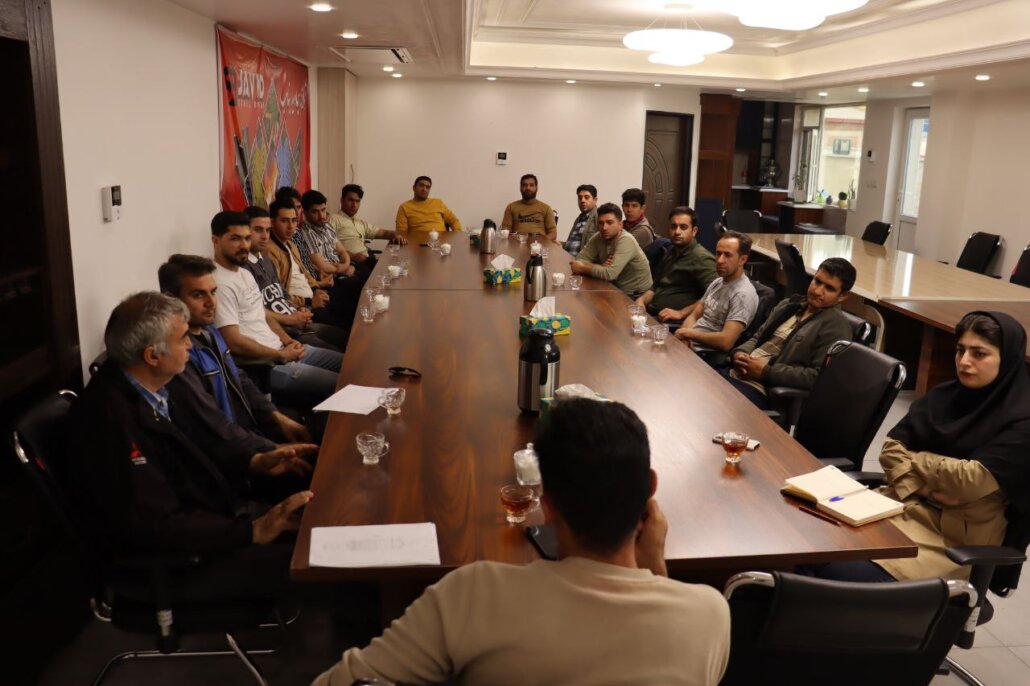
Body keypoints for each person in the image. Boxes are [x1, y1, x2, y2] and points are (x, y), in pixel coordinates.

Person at [312, 398, 730, 685]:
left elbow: (340, 681)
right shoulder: (709, 617)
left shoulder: (473, 594)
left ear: (546, 505)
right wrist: (655, 569)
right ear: (650, 489)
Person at [69, 292, 314, 597]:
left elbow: (198, 449)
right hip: (179, 563)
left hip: (210, 521)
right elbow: (156, 523)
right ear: (153, 356)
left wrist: (254, 461)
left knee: (314, 490)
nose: (190, 345)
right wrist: (252, 531)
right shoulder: (110, 421)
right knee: (321, 565)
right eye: (183, 338)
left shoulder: (153, 385)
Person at [806, 311, 1030, 583]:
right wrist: (926, 489)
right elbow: (890, 450)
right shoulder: (944, 396)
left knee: (834, 571)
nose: (964, 361)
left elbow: (968, 482)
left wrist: (915, 459)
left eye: (979, 354)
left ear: (1007, 359)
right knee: (805, 545)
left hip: (949, 541)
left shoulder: (1022, 420)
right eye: (960, 350)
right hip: (896, 505)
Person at [158, 253, 313, 445]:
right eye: (198, 295)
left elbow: (239, 378)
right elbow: (213, 427)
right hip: (233, 445)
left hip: (248, 425)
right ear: (171, 299)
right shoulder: (178, 357)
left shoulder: (210, 330)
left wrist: (276, 416)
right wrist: (267, 450)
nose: (211, 302)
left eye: (213, 292)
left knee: (311, 424)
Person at [209, 210, 343, 409]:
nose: (244, 245)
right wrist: (281, 355)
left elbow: (262, 314)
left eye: (247, 238)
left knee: (349, 365)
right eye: (235, 239)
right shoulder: (219, 283)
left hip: (283, 349)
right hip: (267, 365)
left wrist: (288, 341)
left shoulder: (243, 273)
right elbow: (233, 342)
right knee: (341, 385)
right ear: (215, 240)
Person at [726, 257, 856, 409]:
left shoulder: (836, 328)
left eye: (829, 288)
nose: (817, 291)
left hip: (761, 391)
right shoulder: (788, 305)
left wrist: (766, 372)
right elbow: (757, 337)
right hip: (733, 374)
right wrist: (739, 353)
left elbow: (817, 377)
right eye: (817, 281)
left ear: (843, 295)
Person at [242, 206, 346, 351]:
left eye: (267, 230)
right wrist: (300, 310)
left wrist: (300, 308)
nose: (265, 236)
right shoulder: (244, 269)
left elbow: (283, 295)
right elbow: (260, 312)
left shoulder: (268, 260)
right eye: (258, 230)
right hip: (286, 332)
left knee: (347, 338)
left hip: (298, 318)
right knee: (340, 353)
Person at [675, 231, 759, 356]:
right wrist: (685, 336)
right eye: (718, 253)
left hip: (703, 355)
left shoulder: (743, 295)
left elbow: (726, 341)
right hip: (687, 345)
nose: (720, 260)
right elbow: (694, 315)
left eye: (727, 255)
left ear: (742, 260)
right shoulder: (718, 282)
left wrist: (688, 334)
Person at [636, 207, 718, 321]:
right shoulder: (670, 253)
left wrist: (681, 313)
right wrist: (641, 300)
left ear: (694, 231)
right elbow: (656, 287)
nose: (677, 232)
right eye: (673, 226)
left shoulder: (702, 258)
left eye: (683, 227)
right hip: (653, 314)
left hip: (675, 322)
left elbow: (714, 297)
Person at [570, 203, 653, 299]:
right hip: (613, 288)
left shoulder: (626, 240)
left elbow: (609, 274)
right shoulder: (598, 237)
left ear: (620, 225)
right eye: (601, 223)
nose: (604, 228)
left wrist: (583, 267)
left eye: (609, 223)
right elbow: (579, 260)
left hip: (636, 296)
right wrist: (601, 267)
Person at [331, 183, 406, 265]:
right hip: (350, 263)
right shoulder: (334, 219)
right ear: (342, 200)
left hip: (366, 261)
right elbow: (327, 246)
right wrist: (352, 256)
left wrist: (396, 234)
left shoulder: (359, 223)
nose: (354, 205)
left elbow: (382, 233)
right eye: (350, 200)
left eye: (357, 201)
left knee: (399, 264)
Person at [295, 189, 358, 282]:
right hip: (332, 278)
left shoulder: (327, 226)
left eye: (323, 210)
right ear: (305, 213)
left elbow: (342, 251)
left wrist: (346, 264)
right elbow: (322, 266)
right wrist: (344, 269)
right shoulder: (306, 233)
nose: (321, 216)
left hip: (342, 269)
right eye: (315, 212)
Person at [395, 175, 462, 236]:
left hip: (441, 241)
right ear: (414, 188)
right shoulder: (404, 207)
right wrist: (400, 236)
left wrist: (457, 234)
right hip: (417, 242)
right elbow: (401, 232)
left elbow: (454, 221)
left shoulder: (438, 203)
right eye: (421, 185)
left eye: (428, 187)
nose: (424, 189)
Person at [500, 173, 557, 241]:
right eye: (524, 185)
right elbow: (505, 230)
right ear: (520, 188)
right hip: (518, 243)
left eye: (531, 185)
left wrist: (542, 242)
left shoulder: (546, 208)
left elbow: (553, 233)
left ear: (536, 188)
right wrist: (513, 241)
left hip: (539, 245)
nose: (528, 188)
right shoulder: (511, 207)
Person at [563, 183, 598, 257]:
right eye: (580, 197)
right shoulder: (579, 219)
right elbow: (573, 244)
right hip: (567, 259)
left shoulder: (598, 217)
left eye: (586, 197)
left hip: (582, 262)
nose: (582, 200)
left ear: (595, 200)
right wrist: (561, 244)